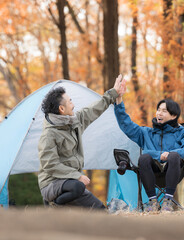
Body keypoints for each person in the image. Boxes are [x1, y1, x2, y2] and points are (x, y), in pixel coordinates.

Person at [38, 75, 125, 209]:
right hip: (51, 184)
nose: (73, 104)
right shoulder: (49, 134)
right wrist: (77, 176)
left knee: (100, 211)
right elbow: (50, 165)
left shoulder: (74, 121)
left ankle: (67, 204)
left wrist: (113, 93)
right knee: (78, 186)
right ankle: (55, 205)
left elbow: (93, 110)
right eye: (70, 101)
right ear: (62, 109)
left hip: (71, 183)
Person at [114, 89, 184, 212]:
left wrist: (170, 154)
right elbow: (126, 124)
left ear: (173, 116)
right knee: (144, 158)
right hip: (153, 173)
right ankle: (153, 202)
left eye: (164, 111)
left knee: (174, 156)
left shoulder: (182, 132)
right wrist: (119, 100)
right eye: (158, 110)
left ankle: (167, 201)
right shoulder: (146, 133)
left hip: (175, 171)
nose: (159, 113)